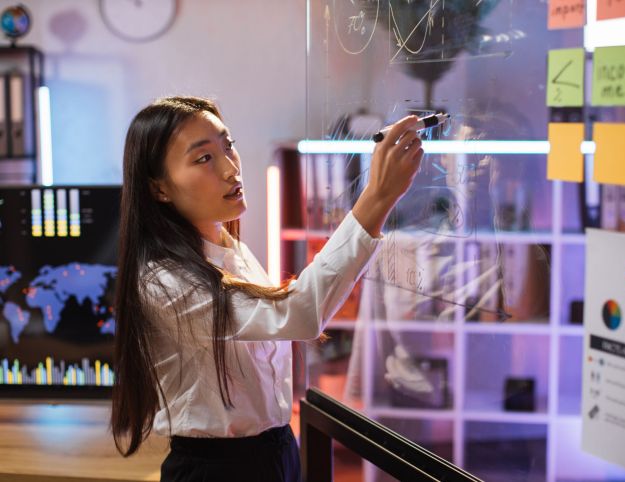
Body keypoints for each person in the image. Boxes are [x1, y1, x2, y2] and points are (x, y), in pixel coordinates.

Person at [110, 95, 424, 482]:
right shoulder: (165, 281)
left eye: (228, 147)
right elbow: (297, 313)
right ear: (159, 189)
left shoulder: (226, 248)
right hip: (221, 470)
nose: (230, 169)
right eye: (204, 158)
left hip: (274, 451)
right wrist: (377, 196)